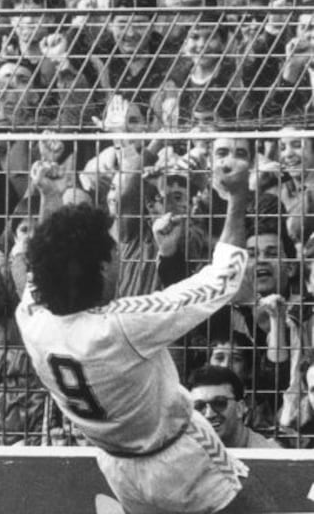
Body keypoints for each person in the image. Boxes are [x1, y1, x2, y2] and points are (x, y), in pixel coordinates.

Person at [16, 155, 279, 513]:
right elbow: (222, 279)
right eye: (114, 254)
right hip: (178, 460)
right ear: (103, 267)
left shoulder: (32, 320)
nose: (120, 260)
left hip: (118, 466)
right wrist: (235, 199)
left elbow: (39, 268)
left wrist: (50, 196)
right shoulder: (120, 327)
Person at [189, 365, 281, 448]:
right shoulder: (187, 453)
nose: (209, 414)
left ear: (240, 408)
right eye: (199, 406)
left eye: (219, 403)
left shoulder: (267, 454)